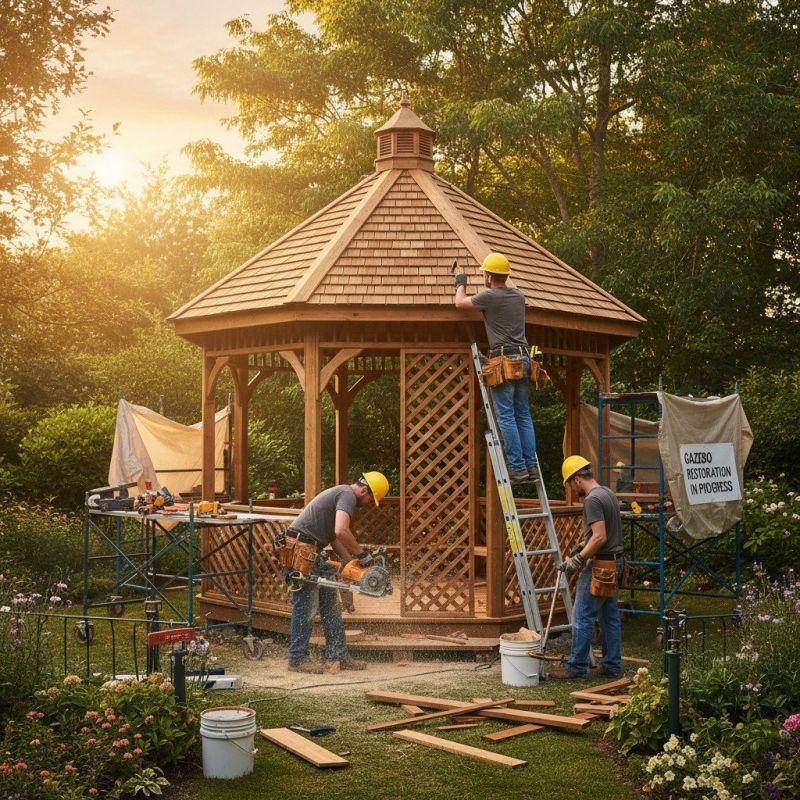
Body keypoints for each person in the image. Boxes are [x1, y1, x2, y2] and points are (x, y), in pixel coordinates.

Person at [284, 470, 389, 674]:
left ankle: (338, 655)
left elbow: (332, 535)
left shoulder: (340, 494)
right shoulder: (347, 495)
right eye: (369, 500)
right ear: (364, 490)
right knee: (306, 607)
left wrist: (348, 561)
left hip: (314, 550)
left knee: (330, 606)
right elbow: (342, 530)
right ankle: (297, 659)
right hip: (302, 550)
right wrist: (362, 555)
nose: (368, 504)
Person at [454, 252, 538, 482]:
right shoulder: (519, 296)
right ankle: (530, 467)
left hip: (504, 361)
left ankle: (518, 468)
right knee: (523, 415)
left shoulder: (490, 296)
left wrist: (460, 283)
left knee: (507, 417)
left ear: (490, 276)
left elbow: (460, 303)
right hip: (523, 360)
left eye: (484, 274)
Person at [549, 455, 625, 680]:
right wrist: (583, 544)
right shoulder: (608, 493)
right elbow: (605, 533)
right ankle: (611, 666)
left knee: (582, 615)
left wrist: (578, 559)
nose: (572, 490)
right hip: (615, 562)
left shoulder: (592, 500)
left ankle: (576, 668)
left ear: (576, 479)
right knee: (609, 616)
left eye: (570, 485)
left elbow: (600, 537)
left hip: (600, 566)